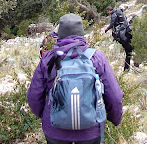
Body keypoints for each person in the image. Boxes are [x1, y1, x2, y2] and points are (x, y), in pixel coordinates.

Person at [27, 13, 123, 144]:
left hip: (55, 130)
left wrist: (44, 116)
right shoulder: (96, 58)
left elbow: (34, 95)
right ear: (82, 34)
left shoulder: (48, 59)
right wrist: (115, 119)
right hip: (90, 131)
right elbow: (115, 96)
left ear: (59, 34)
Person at [104, 6, 134, 71]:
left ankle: (126, 69)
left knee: (128, 52)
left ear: (109, 10)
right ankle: (128, 68)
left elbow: (112, 24)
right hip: (126, 35)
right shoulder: (119, 12)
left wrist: (107, 29)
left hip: (122, 37)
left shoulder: (114, 15)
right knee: (130, 51)